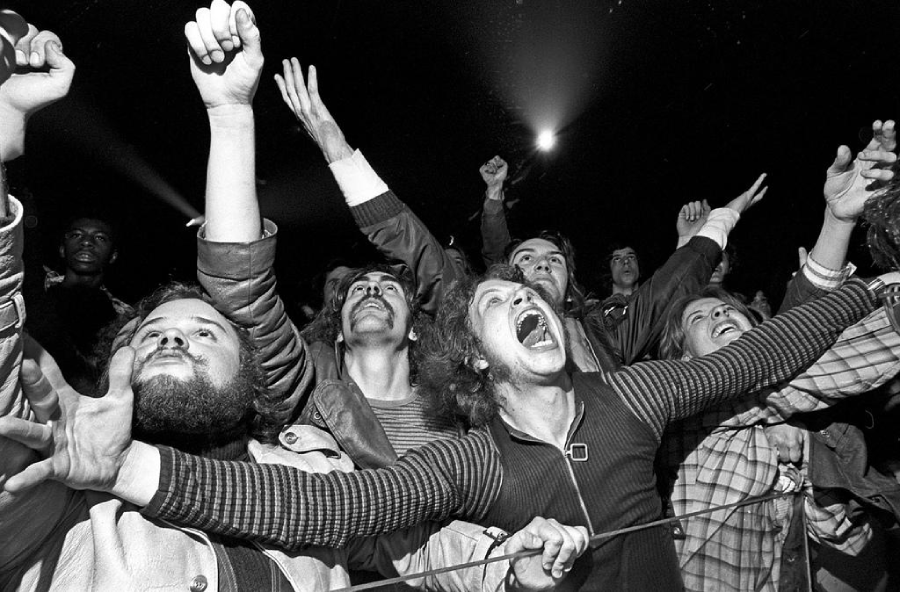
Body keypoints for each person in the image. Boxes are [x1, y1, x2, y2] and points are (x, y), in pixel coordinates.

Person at [0, 3, 590, 590]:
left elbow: (407, 540)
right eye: (150, 335)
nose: (176, 335)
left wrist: (503, 564)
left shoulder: (318, 464)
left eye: (207, 331)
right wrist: (4, 134)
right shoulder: (57, 479)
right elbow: (240, 284)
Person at [6, 254, 891, 591]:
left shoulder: (637, 394)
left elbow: (756, 359)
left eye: (532, 293)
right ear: (475, 356)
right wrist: (133, 472)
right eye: (502, 300)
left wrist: (865, 289)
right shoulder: (469, 463)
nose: (526, 300)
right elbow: (339, 511)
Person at [25, 216, 132, 395]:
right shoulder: (30, 298)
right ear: (62, 249)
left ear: (113, 255)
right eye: (76, 235)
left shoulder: (124, 318)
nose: (87, 242)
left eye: (99, 238)